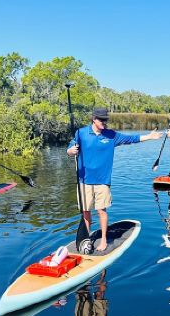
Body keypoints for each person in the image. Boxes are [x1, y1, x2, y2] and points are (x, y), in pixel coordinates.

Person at [67, 108, 162, 252]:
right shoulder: (81, 133)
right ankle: (86, 238)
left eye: (106, 119)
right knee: (85, 212)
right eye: (101, 119)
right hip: (84, 180)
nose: (104, 122)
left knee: (101, 210)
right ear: (94, 119)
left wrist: (149, 136)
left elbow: (131, 139)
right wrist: (70, 151)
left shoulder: (111, 135)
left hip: (102, 180)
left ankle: (104, 240)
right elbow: (71, 146)